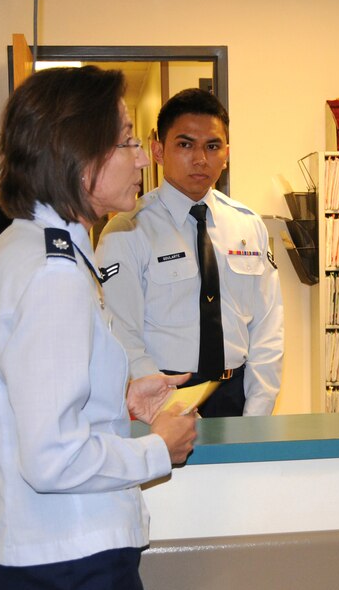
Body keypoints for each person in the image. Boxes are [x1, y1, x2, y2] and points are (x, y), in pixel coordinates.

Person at [0, 65, 198, 590]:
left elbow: (40, 390)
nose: (139, 159)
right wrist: (158, 450)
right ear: (78, 157)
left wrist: (119, 394)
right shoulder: (53, 274)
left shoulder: (31, 247)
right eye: (126, 141)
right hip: (71, 571)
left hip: (52, 564)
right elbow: (52, 458)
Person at [97, 88, 283, 418]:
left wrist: (257, 410)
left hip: (236, 396)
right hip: (161, 397)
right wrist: (166, 406)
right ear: (157, 149)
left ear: (226, 153)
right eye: (185, 145)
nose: (200, 159)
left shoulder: (248, 225)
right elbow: (122, 333)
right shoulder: (128, 229)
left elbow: (268, 328)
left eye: (212, 146)